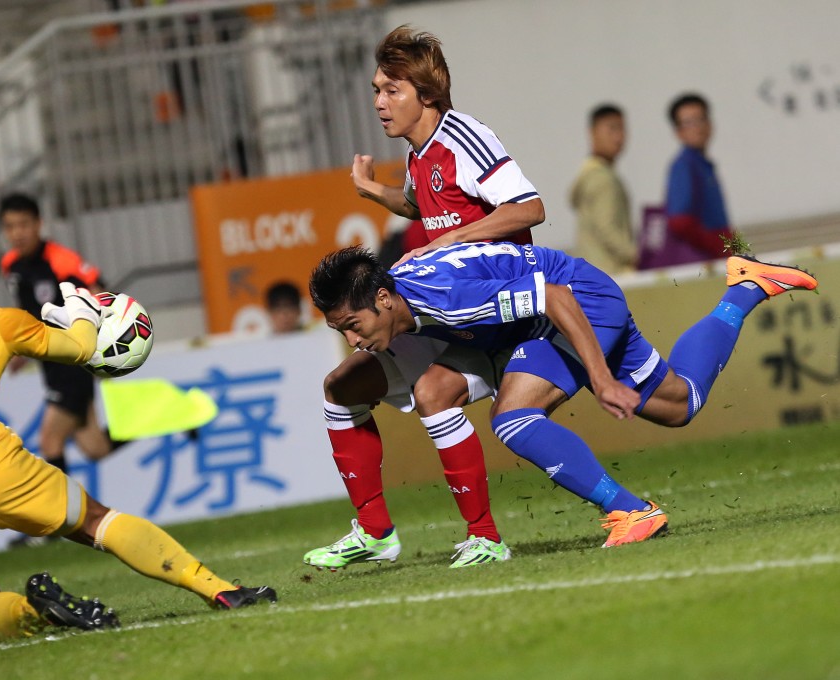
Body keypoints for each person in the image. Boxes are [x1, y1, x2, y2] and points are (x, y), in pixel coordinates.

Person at [0, 213, 276, 641]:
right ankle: (219, 589)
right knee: (96, 520)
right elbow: (81, 349)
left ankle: (37, 612)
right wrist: (82, 315)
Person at [309, 243, 817, 548]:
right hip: (570, 302)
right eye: (341, 330)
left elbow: (555, 297)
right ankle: (746, 286)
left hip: (577, 303)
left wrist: (599, 379)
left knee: (512, 416)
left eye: (353, 326)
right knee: (679, 403)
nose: (352, 341)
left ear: (382, 299)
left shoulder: (443, 297)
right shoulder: (405, 295)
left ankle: (632, 510)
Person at [304, 25, 545, 571]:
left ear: (427, 95)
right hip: (444, 318)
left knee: (435, 392)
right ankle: (374, 532)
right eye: (376, 90)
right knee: (341, 389)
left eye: (391, 90)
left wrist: (453, 238)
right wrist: (373, 192)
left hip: (495, 318)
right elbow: (421, 207)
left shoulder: (465, 136)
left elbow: (528, 207)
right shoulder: (421, 153)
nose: (379, 103)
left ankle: (485, 538)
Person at [0, 193, 122, 479]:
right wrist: (21, 351)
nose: (17, 233)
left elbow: (101, 294)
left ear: (39, 224)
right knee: (95, 447)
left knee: (50, 440)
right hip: (50, 366)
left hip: (73, 363)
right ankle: (168, 416)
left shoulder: (61, 260)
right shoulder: (10, 265)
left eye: (24, 225)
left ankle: (65, 520)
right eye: (10, 226)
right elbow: (28, 311)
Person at [661, 92, 735, 265]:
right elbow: (679, 222)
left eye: (701, 119)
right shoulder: (684, 166)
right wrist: (717, 244)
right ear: (678, 132)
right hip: (701, 263)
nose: (697, 127)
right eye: (689, 123)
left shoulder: (703, 165)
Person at [569, 103, 636, 274]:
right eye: (612, 129)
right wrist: (637, 255)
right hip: (612, 274)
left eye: (622, 129)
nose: (619, 137)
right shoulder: (602, 178)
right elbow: (607, 230)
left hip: (595, 272)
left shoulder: (590, 173)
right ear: (592, 132)